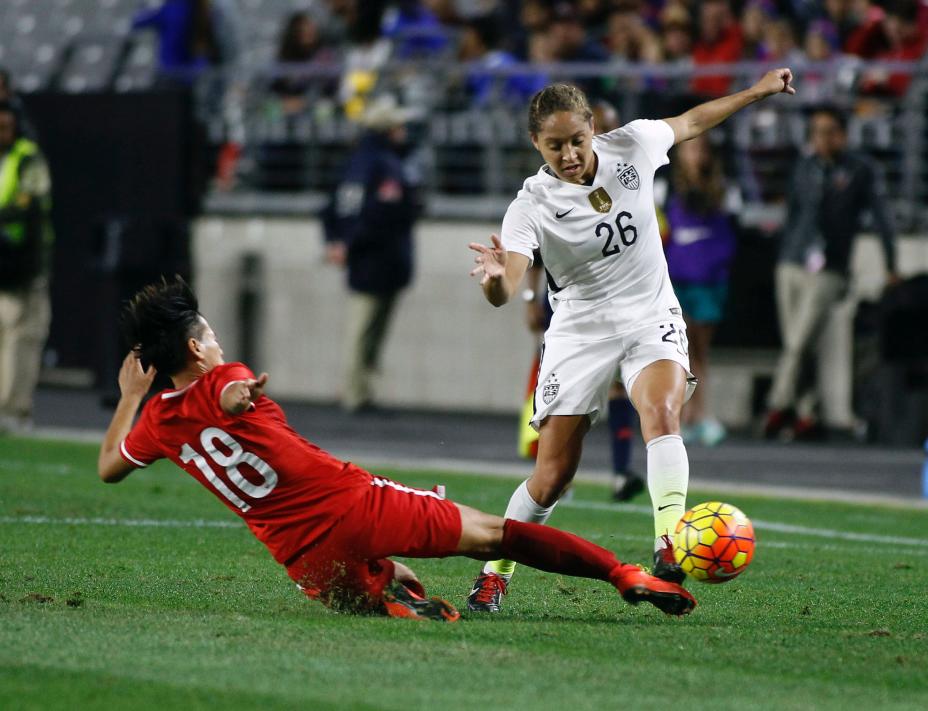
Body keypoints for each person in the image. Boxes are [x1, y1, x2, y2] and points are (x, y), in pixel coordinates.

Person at [97, 276, 696, 622]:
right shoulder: (227, 376)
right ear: (198, 351)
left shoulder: (157, 423)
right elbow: (228, 394)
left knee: (383, 581)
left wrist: (131, 397)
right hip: (354, 505)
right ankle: (622, 573)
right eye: (209, 334)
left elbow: (109, 468)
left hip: (302, 559)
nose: (217, 340)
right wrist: (236, 395)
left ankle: (392, 595)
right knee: (494, 535)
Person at [466, 69, 795, 612]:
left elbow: (691, 121)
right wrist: (496, 281)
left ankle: (670, 543)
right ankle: (494, 572)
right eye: (555, 145)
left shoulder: (635, 145)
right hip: (580, 330)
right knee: (551, 479)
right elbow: (509, 285)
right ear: (535, 144)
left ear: (593, 128)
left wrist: (758, 91)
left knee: (661, 412)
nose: (569, 154)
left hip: (650, 314)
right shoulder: (531, 205)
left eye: (577, 139)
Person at [520, 99, 645, 500]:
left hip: (626, 304)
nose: (574, 153)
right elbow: (531, 255)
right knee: (564, 396)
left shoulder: (626, 170)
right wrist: (527, 296)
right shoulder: (545, 195)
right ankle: (551, 472)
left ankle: (621, 471)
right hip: (569, 308)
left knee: (619, 389)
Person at [763, 105, 898, 440]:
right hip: (792, 262)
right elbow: (792, 213)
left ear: (842, 135)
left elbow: (882, 217)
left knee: (796, 343)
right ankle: (807, 413)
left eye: (827, 132)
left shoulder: (859, 170)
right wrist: (782, 255)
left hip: (831, 267)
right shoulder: (804, 167)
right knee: (798, 344)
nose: (820, 139)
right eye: (816, 132)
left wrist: (890, 263)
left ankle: (777, 405)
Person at [322, 95, 422, 413]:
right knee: (363, 328)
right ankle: (355, 391)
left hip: (370, 257)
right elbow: (382, 211)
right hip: (377, 257)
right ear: (388, 128)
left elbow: (332, 207)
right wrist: (347, 242)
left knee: (366, 329)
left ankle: (360, 387)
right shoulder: (384, 164)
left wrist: (338, 241)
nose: (404, 128)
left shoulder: (358, 161)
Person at [663, 135, 737, 446]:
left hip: (709, 282)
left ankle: (700, 413)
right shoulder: (665, 189)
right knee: (678, 351)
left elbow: (733, 233)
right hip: (677, 280)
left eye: (701, 150)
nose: (696, 156)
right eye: (690, 149)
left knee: (700, 351)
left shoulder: (724, 190)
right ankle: (678, 416)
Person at [0, 102, 53, 433]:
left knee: (22, 337)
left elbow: (30, 205)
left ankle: (13, 411)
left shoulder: (26, 156)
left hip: (22, 264)